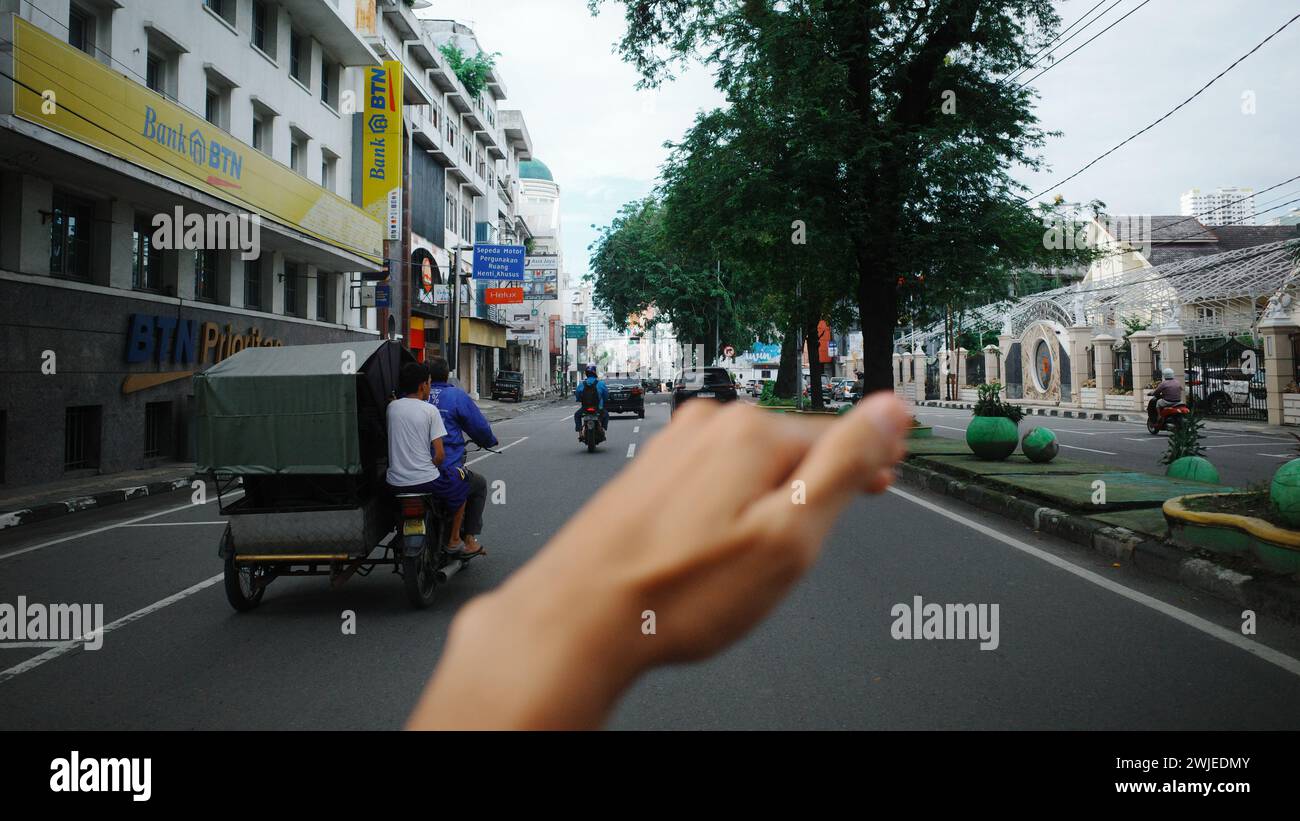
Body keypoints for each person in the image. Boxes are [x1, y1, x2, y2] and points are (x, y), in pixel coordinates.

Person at [406, 392, 910, 729]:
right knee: (470, 487)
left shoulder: (407, 407)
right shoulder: (456, 402)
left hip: (397, 483)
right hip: (439, 477)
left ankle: (457, 538)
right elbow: (476, 431)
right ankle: (462, 538)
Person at [385, 362, 470, 555]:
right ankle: (454, 539)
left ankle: (402, 532)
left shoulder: (391, 408)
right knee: (463, 481)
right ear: (422, 386)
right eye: (429, 383)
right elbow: (440, 455)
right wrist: (429, 467)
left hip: (395, 483)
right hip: (426, 481)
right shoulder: (430, 410)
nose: (430, 387)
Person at [427, 356, 498, 557]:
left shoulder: (412, 398)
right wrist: (489, 441)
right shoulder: (456, 396)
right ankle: (468, 539)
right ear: (447, 375)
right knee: (478, 484)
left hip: (411, 470)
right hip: (445, 468)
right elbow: (478, 427)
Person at [573, 364, 609, 441]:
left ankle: (580, 433)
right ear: (595, 373)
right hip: (598, 408)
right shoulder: (601, 383)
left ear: (586, 373)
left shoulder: (582, 384)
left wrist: (579, 399)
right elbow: (606, 396)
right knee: (606, 415)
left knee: (577, 415)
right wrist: (604, 400)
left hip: (585, 408)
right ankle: (602, 429)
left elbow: (577, 395)